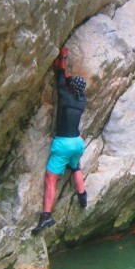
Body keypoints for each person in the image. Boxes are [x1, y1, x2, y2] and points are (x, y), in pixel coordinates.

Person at [32, 47, 88, 234]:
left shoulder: (64, 96)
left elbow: (62, 74)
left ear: (71, 88)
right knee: (75, 166)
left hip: (64, 144)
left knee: (51, 178)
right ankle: (82, 196)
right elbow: (69, 81)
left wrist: (63, 56)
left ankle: (46, 216)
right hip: (77, 143)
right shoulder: (81, 101)